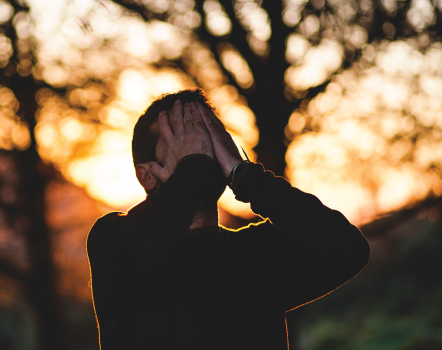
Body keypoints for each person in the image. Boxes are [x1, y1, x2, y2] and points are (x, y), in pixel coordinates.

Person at [86, 88, 370, 350]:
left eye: (208, 134)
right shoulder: (113, 243)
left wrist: (244, 175)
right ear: (146, 176)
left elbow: (347, 249)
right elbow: (150, 237)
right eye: (184, 138)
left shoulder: (259, 253)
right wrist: (194, 164)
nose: (202, 147)